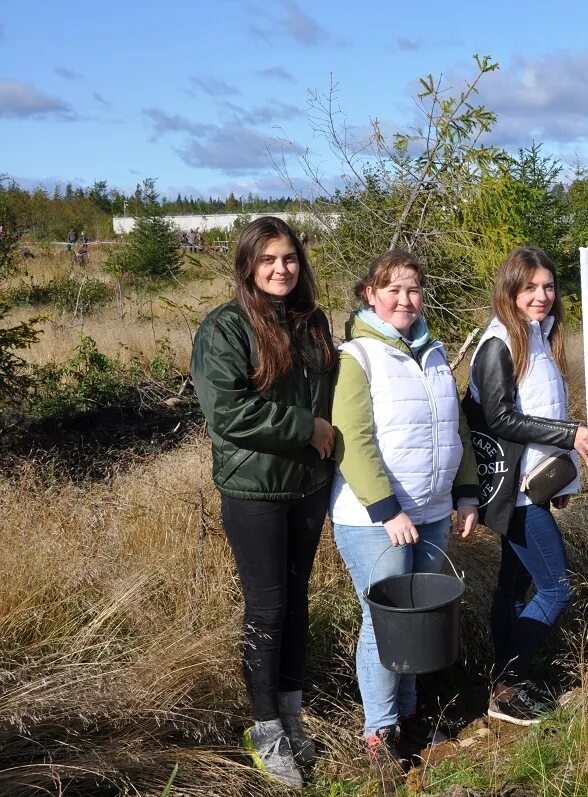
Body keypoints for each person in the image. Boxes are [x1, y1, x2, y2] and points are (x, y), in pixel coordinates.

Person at [190, 216, 336, 787]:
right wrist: (307, 428)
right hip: (255, 490)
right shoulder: (225, 328)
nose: (281, 269)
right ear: (249, 264)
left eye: (290, 259)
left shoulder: (311, 322)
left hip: (308, 486)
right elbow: (228, 412)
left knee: (297, 601)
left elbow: (333, 389)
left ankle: (293, 713)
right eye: (269, 259)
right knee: (267, 607)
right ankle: (265, 727)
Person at [329, 249, 480, 762]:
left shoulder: (434, 353)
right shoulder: (359, 356)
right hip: (376, 519)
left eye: (412, 289)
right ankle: (380, 730)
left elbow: (454, 430)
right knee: (385, 622)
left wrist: (464, 494)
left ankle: (411, 715)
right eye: (392, 290)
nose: (404, 299)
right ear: (370, 295)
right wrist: (385, 509)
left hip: (433, 511)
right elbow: (353, 436)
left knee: (417, 619)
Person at [464, 246, 588, 726]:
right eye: (530, 288)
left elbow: (547, 410)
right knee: (556, 589)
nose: (541, 296)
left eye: (547, 287)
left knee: (511, 587)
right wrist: (571, 438)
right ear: (510, 290)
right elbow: (502, 418)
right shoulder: (498, 343)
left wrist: (564, 472)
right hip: (513, 492)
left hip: (532, 485)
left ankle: (505, 680)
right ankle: (507, 682)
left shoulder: (538, 337)